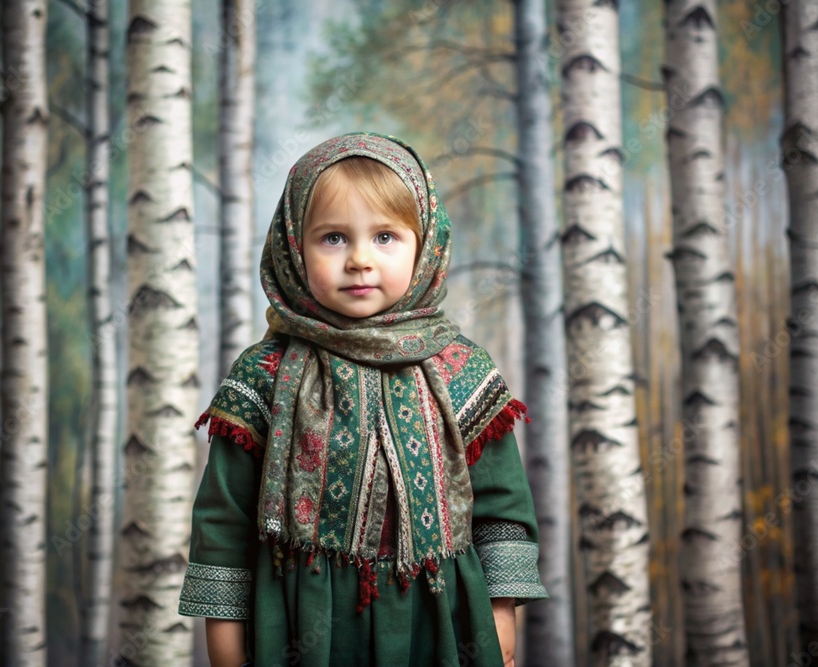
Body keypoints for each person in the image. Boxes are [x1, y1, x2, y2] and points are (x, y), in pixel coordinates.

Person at [178, 132, 546, 667]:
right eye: (332, 238)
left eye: (385, 237)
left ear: (425, 248)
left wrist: (500, 622)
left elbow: (501, 510)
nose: (358, 260)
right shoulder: (264, 375)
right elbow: (224, 522)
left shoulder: (461, 370)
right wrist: (226, 646)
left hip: (439, 624)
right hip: (299, 626)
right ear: (291, 247)